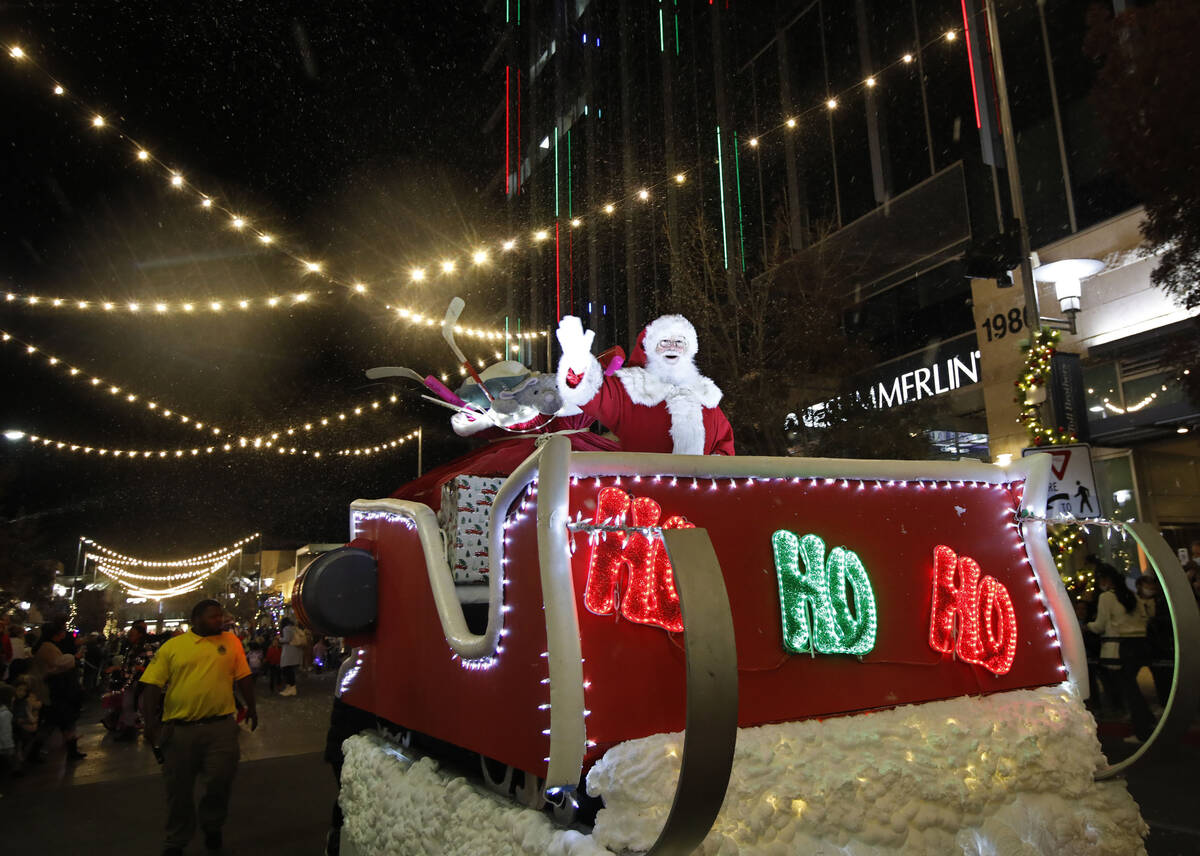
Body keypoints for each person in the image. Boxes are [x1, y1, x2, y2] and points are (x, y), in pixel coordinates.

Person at [140, 599, 257, 856]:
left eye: (220, 616)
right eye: (213, 617)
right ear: (196, 619)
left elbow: (244, 676)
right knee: (178, 789)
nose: (220, 620)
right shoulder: (174, 647)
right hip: (180, 730)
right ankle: (176, 839)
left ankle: (212, 824)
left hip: (221, 728)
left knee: (220, 781)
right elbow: (151, 685)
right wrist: (150, 723)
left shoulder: (231, 642)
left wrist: (252, 706)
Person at [555, 314, 736, 455]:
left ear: (689, 350)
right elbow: (592, 395)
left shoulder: (706, 396)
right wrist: (577, 365)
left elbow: (724, 446)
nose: (672, 347)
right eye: (664, 342)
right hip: (642, 495)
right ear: (650, 348)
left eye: (679, 342)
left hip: (699, 497)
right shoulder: (631, 388)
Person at [1088, 565, 1153, 744]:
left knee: (1129, 689)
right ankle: (1147, 720)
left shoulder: (1106, 597)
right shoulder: (1131, 595)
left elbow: (1100, 625)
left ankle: (1142, 731)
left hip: (1121, 646)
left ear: (1105, 580)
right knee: (1132, 686)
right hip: (1140, 644)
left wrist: (1089, 626)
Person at [30, 620, 87, 761]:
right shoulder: (48, 647)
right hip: (53, 691)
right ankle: (34, 752)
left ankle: (70, 751)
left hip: (54, 691)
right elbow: (59, 664)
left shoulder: (48, 646)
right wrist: (74, 658)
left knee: (59, 722)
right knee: (56, 721)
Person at [278, 618, 302, 696]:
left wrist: (279, 639)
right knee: (289, 670)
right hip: (293, 651)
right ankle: (289, 687)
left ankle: (291, 688)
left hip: (288, 652)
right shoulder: (293, 628)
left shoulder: (286, 629)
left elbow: (287, 639)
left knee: (287, 670)